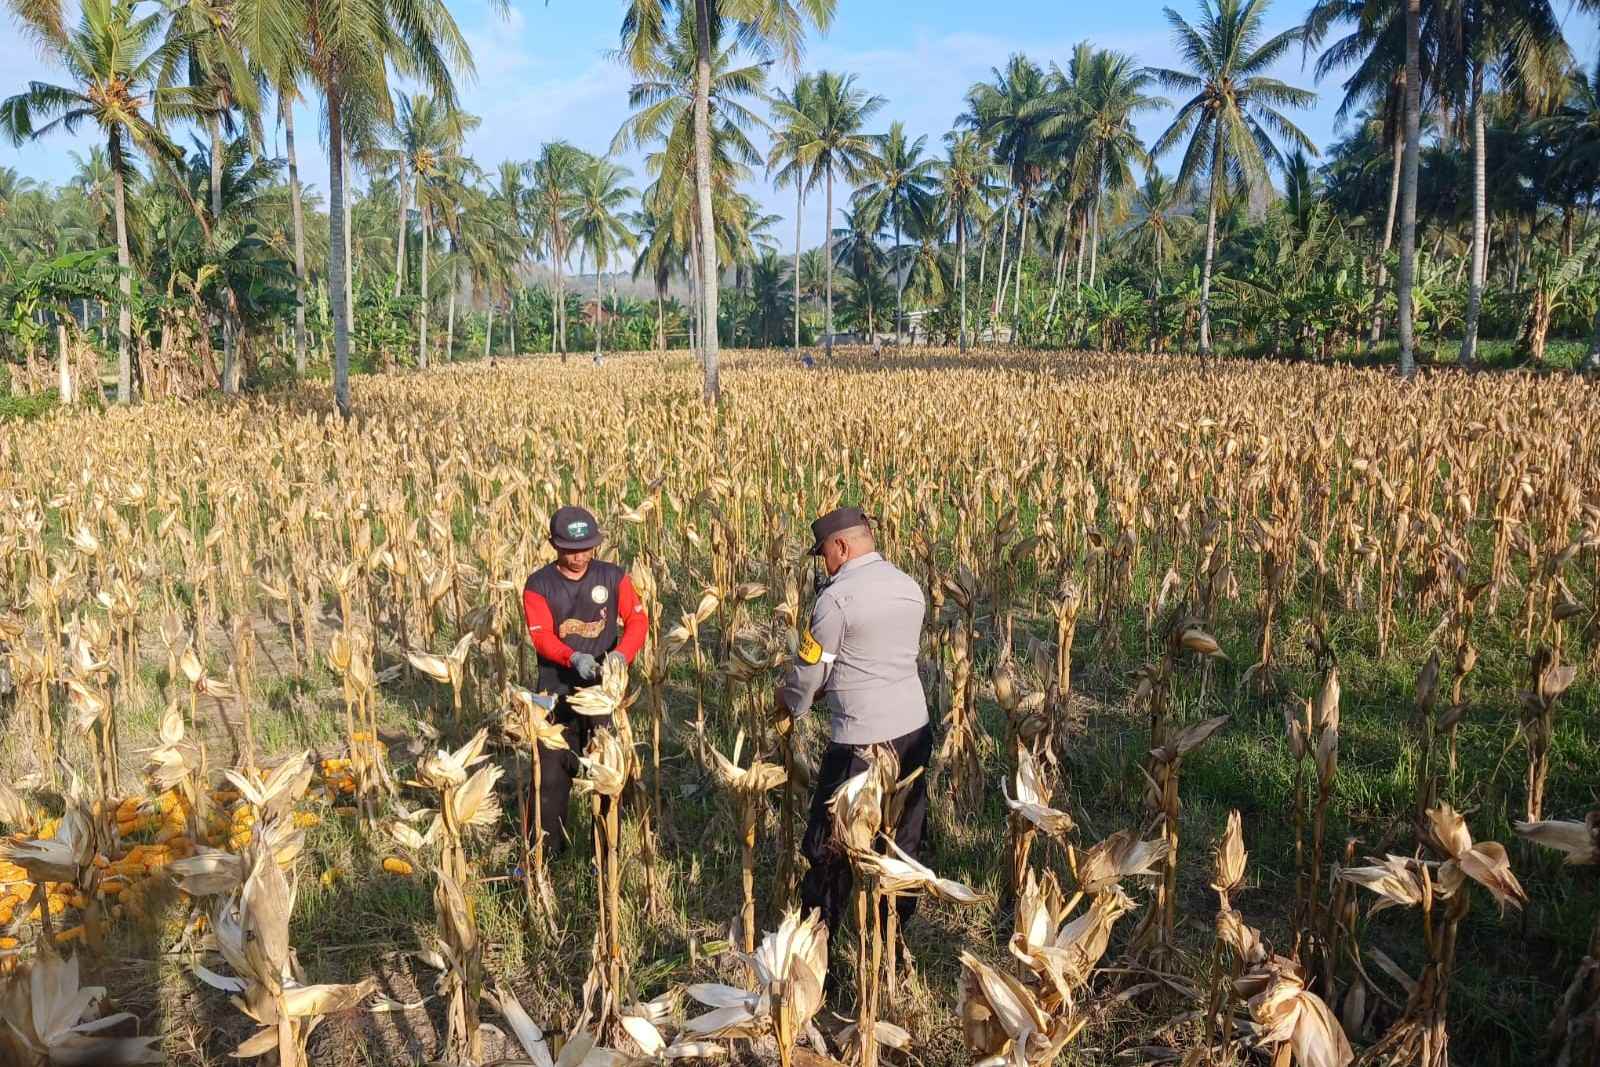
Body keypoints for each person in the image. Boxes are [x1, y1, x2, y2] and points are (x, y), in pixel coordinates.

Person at [775, 506, 931, 937]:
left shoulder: (835, 600)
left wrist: (789, 702)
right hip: (915, 733)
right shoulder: (908, 586)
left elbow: (809, 674)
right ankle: (891, 937)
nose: (824, 563)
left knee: (829, 847)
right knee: (902, 839)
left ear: (841, 547)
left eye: (824, 553)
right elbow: (881, 657)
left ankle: (815, 944)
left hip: (860, 745)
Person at [522, 505, 647, 850]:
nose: (579, 557)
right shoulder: (538, 585)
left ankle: (606, 853)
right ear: (553, 545)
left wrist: (621, 655)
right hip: (554, 687)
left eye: (586, 548)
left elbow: (638, 622)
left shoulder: (614, 577)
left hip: (602, 689)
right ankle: (543, 855)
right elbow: (541, 636)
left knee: (606, 769)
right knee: (548, 775)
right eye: (570, 550)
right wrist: (572, 656)